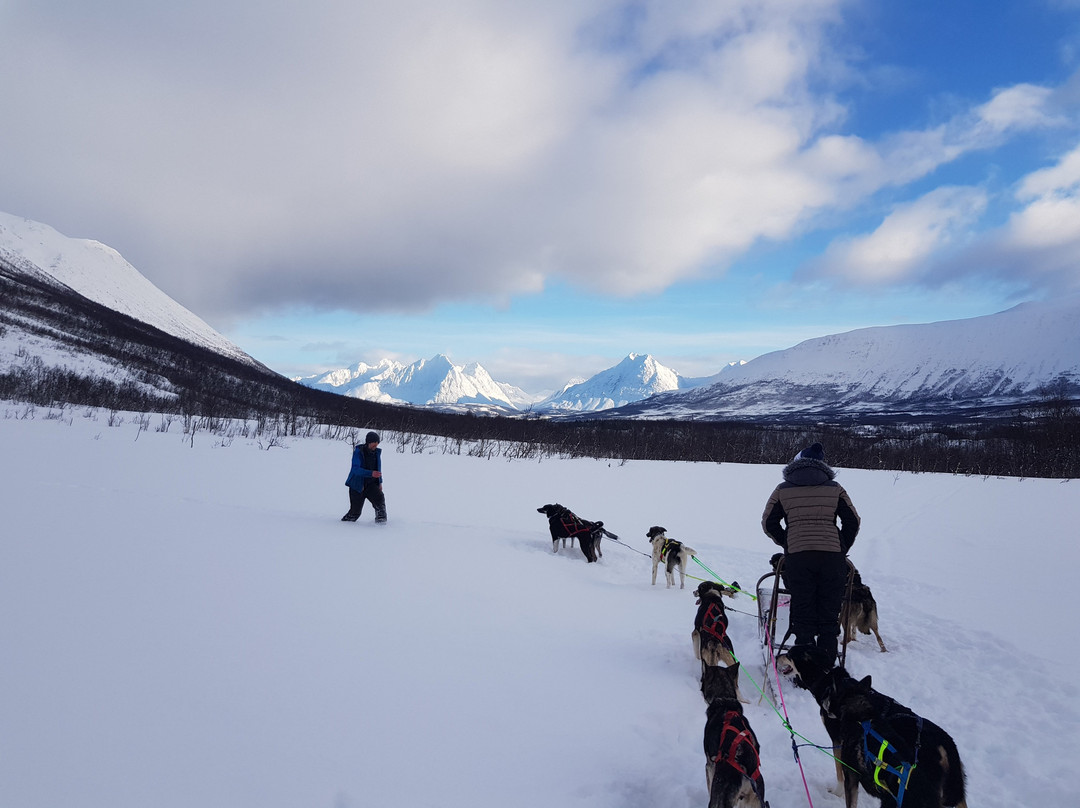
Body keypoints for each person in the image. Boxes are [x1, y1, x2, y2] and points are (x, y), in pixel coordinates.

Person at [761, 442, 859, 660]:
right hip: (832, 558)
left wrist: (788, 541)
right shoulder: (835, 488)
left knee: (803, 614)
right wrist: (841, 547)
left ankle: (804, 667)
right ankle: (826, 666)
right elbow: (852, 521)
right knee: (828, 617)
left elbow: (769, 523)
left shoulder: (782, 489)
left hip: (798, 557)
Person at [342, 431, 387, 523]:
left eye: (377, 444)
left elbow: (378, 468)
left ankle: (381, 524)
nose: (375, 446)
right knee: (355, 513)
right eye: (373, 444)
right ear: (368, 443)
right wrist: (370, 473)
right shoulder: (358, 452)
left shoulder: (377, 453)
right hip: (357, 486)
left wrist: (380, 482)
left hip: (371, 484)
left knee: (379, 499)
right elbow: (355, 469)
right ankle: (343, 526)